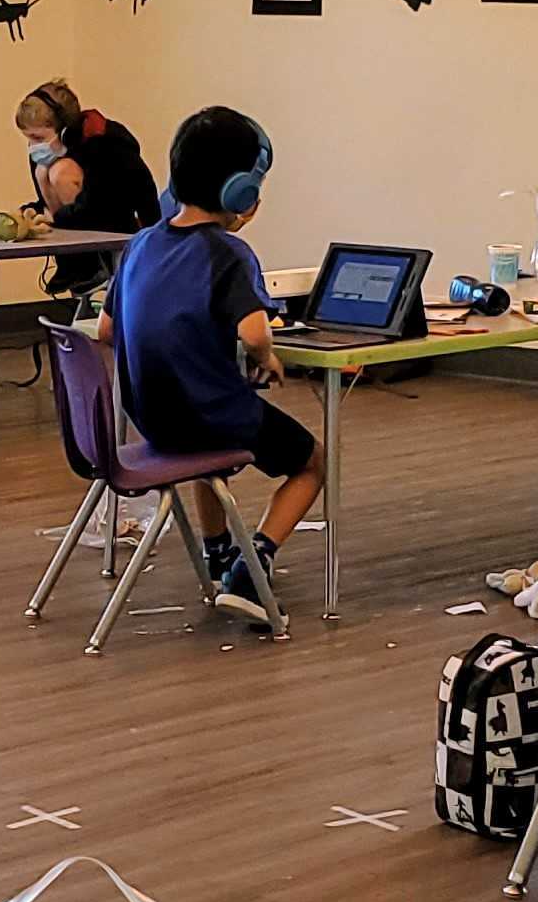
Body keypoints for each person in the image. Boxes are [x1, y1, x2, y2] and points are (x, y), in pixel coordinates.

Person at [101, 103, 324, 630]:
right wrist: (266, 357)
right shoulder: (229, 253)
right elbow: (253, 331)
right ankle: (254, 562)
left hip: (154, 424)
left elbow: (108, 331)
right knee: (312, 461)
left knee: (207, 458)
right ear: (242, 194)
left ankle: (219, 550)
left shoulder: (140, 245)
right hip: (213, 416)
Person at [16, 79, 159, 302]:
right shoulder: (48, 158)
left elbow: (101, 200)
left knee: (58, 172)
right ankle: (74, 265)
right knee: (44, 172)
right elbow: (48, 201)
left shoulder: (105, 142)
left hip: (116, 220)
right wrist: (31, 213)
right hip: (80, 217)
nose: (33, 147)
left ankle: (94, 267)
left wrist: (52, 219)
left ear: (63, 132)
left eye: (37, 138)